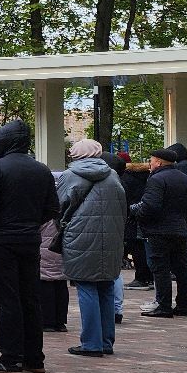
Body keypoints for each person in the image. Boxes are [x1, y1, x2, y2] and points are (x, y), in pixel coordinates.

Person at [0, 120, 62, 373]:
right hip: (29, 239)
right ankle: (34, 358)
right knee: (30, 297)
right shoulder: (41, 170)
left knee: (7, 299)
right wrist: (30, 222)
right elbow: (52, 209)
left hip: (0, 242)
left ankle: (10, 358)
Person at [57, 138, 126, 357]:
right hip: (111, 238)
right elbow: (124, 208)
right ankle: (106, 341)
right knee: (106, 286)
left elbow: (59, 206)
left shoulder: (69, 176)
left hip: (80, 237)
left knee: (86, 286)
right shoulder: (113, 176)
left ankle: (91, 343)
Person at [133, 145, 187, 319]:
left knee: (160, 268)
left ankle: (164, 305)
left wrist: (137, 214)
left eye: (151, 160)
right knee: (181, 269)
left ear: (159, 162)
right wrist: (181, 216)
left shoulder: (156, 179)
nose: (150, 163)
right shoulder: (185, 179)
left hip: (159, 231)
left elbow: (150, 205)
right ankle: (183, 304)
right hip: (180, 229)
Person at [119, 152, 153, 289]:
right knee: (144, 247)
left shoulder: (125, 178)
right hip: (145, 215)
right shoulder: (146, 176)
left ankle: (141, 278)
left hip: (132, 216)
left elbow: (125, 198)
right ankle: (148, 277)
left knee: (136, 248)